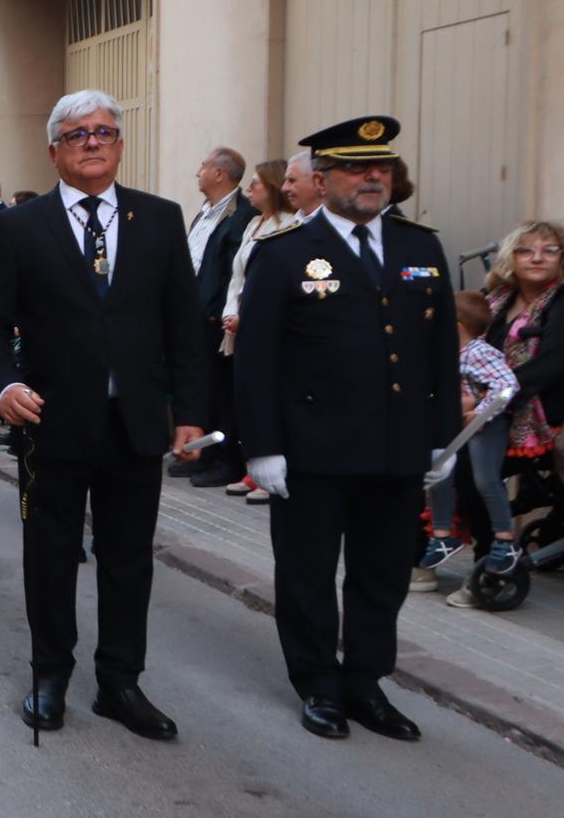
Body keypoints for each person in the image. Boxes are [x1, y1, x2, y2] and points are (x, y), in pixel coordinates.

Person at [0, 89, 207, 741]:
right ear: (54, 150)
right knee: (49, 555)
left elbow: (184, 325)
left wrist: (190, 412)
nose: (92, 141)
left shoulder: (159, 220)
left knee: (129, 556)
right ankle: (51, 674)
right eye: (77, 134)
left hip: (135, 422)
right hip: (51, 422)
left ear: (121, 144)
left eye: (104, 131)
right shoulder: (18, 227)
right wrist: (3, 384)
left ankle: (121, 681)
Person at [235, 115, 458, 742]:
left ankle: (365, 682)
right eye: (358, 169)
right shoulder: (284, 254)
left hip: (395, 447)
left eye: (381, 168)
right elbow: (257, 361)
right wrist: (263, 448)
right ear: (323, 178)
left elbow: (441, 350)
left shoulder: (421, 247)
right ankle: (317, 685)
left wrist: (443, 436)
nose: (372, 178)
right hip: (311, 449)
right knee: (307, 574)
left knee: (382, 573)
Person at [448, 219, 564, 607]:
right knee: (440, 460)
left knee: (471, 468)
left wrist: (484, 396)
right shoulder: (496, 297)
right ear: (510, 257)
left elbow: (552, 367)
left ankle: (492, 557)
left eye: (549, 250)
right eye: (525, 250)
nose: (536, 258)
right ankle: (439, 540)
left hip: (543, 417)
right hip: (495, 409)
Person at [421, 291, 519, 597]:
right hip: (459, 426)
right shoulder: (444, 353)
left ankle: (504, 539)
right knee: (440, 473)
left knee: (485, 477)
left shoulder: (479, 352)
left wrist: (481, 408)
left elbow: (507, 383)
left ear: (456, 326)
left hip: (486, 425)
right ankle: (442, 535)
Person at [218, 159, 300, 503]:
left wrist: (246, 316)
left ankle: (264, 466)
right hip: (237, 319)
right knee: (241, 392)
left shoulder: (287, 226)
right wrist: (231, 312)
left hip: (259, 322)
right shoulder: (254, 223)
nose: (249, 189)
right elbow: (238, 277)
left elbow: (266, 285)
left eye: (256, 184)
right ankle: (251, 465)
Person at [182, 148, 254, 489]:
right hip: (192, 315)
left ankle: (225, 460)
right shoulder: (205, 213)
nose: (198, 172)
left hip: (214, 319)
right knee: (199, 390)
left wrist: (216, 310)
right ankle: (203, 454)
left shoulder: (240, 216)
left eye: (203, 165)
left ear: (220, 174)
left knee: (220, 393)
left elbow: (230, 274)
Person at [282, 151, 323, 222]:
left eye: (291, 180)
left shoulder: (340, 225)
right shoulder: (288, 226)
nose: (284, 188)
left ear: (317, 181)